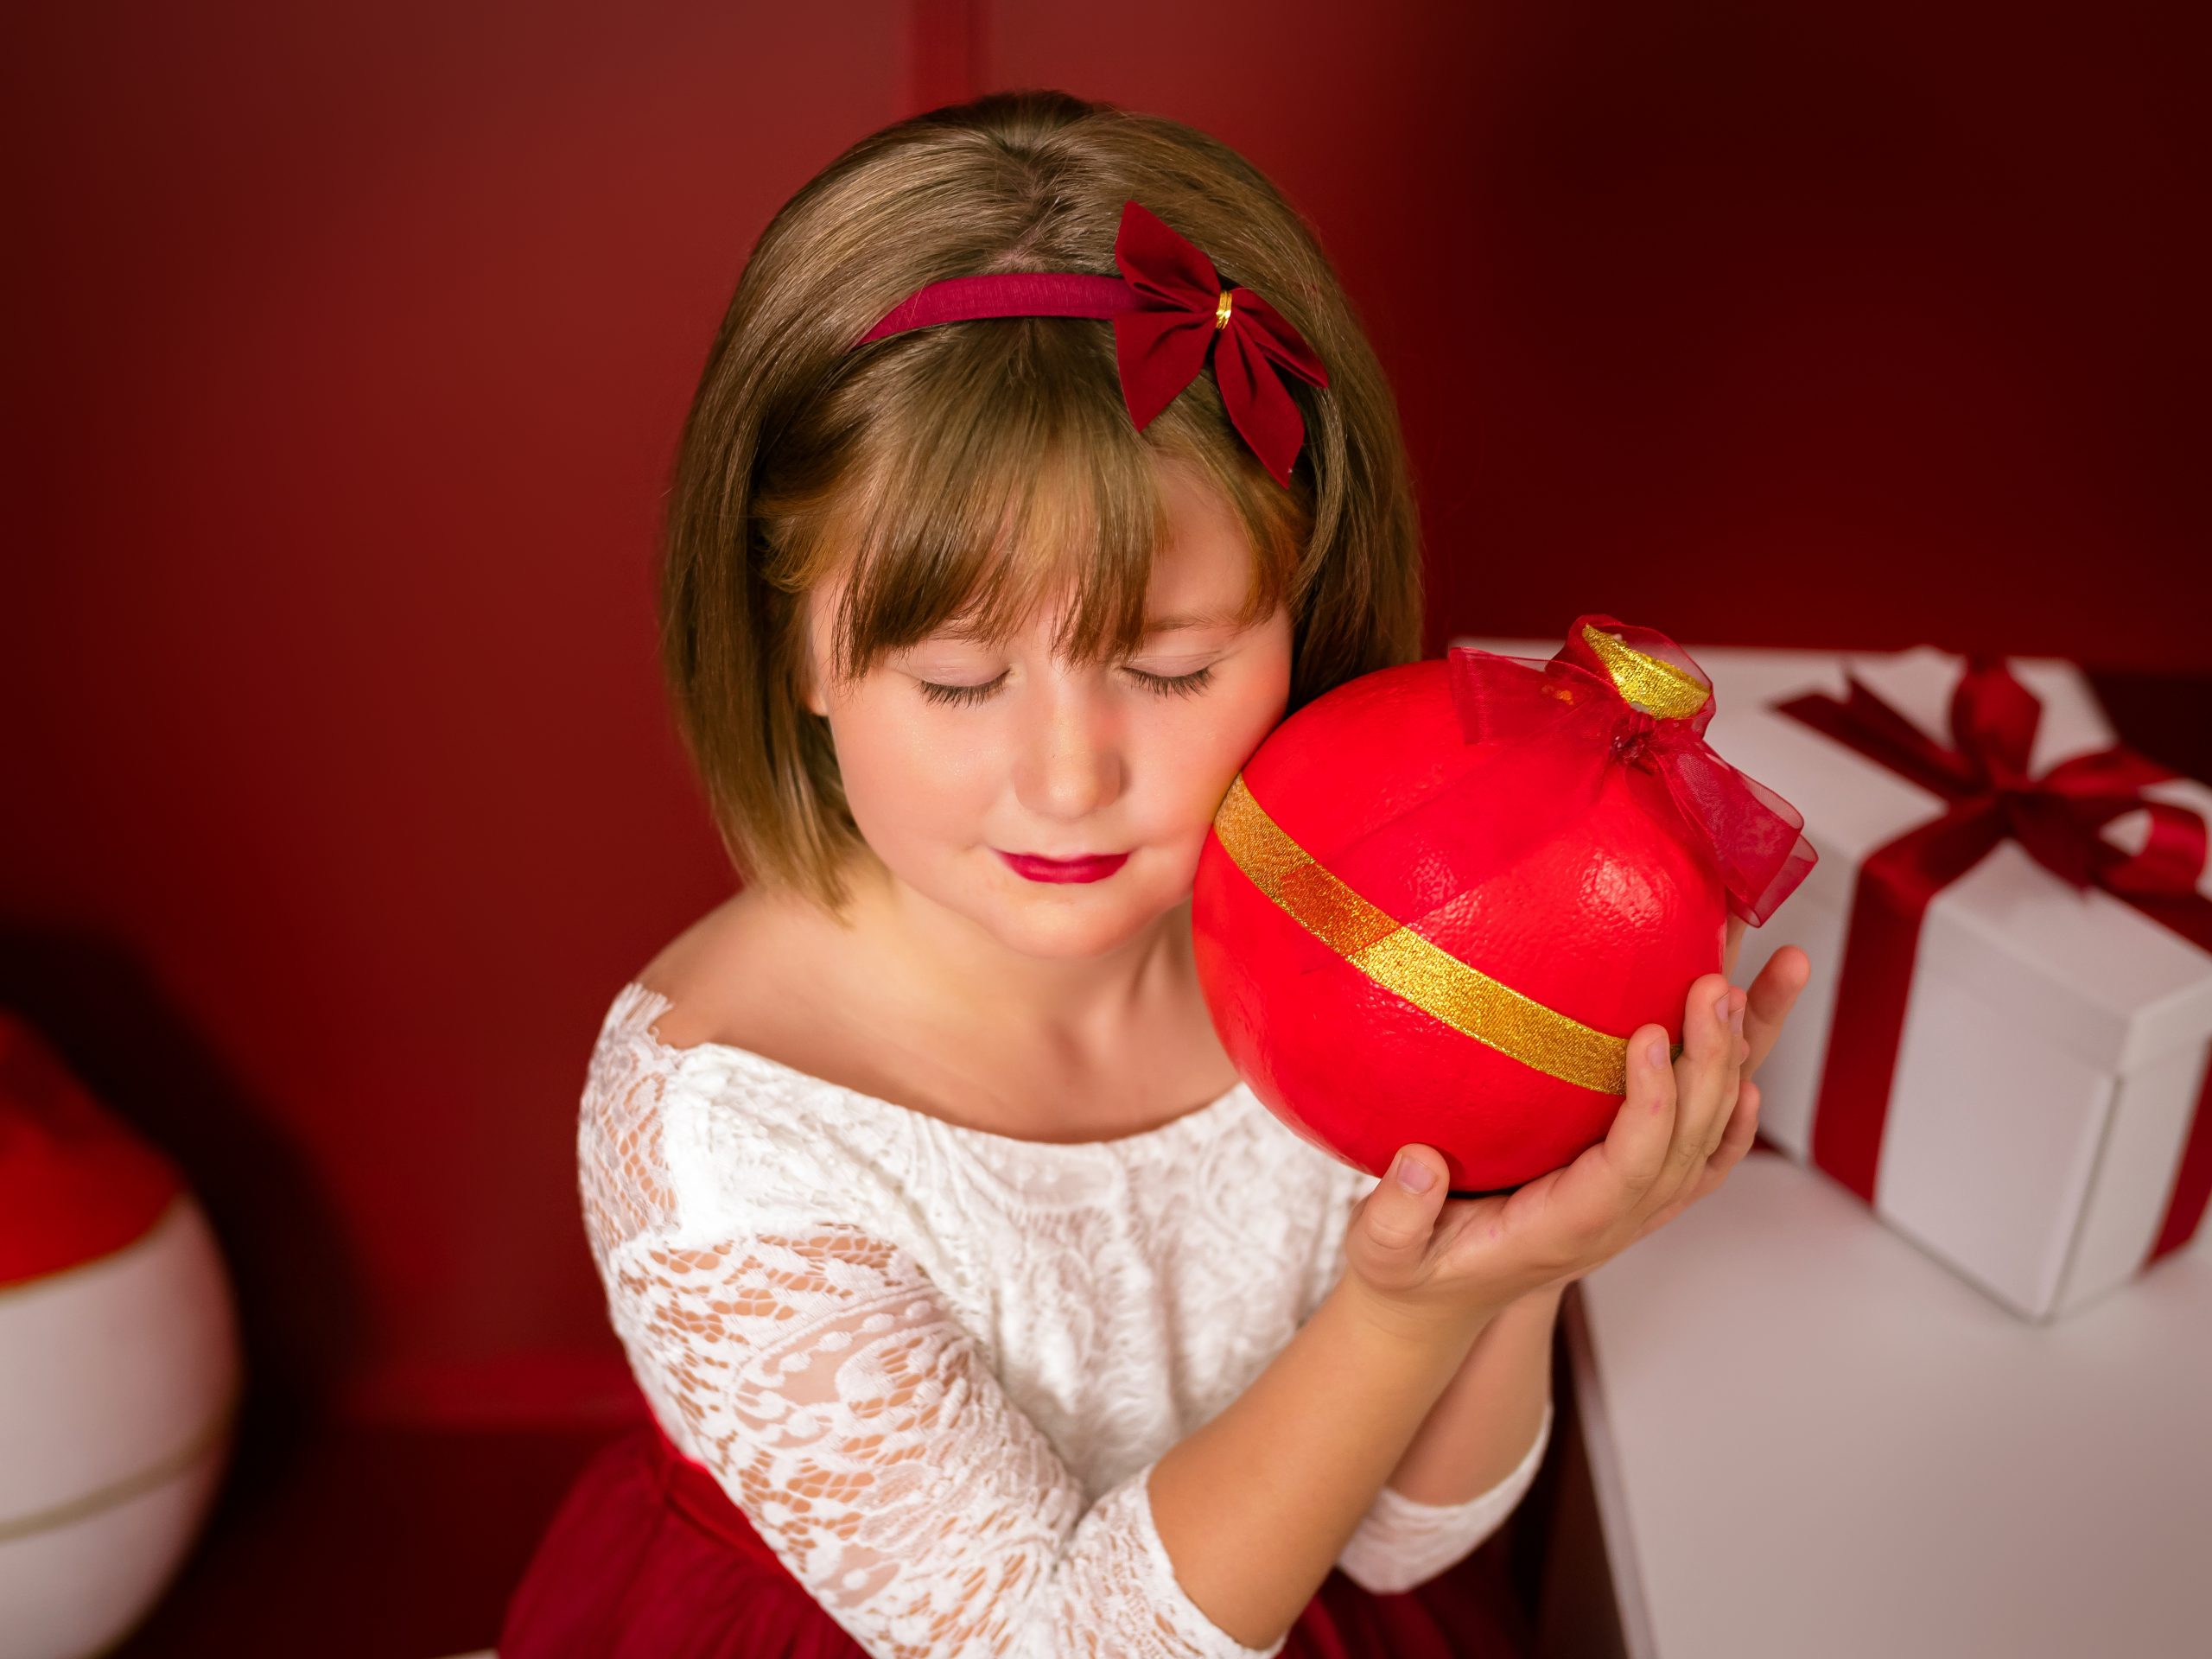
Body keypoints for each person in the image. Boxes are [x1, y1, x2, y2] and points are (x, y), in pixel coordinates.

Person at [499, 87, 1809, 1659]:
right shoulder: (726, 1133)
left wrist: (1517, 1261)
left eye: (1172, 669)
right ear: (794, 647)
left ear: (1303, 617)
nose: (1070, 779)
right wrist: (1401, 1310)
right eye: (961, 682)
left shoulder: (1380, 943)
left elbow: (1406, 1543)